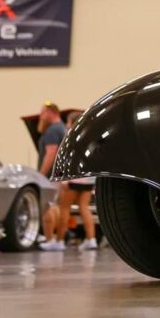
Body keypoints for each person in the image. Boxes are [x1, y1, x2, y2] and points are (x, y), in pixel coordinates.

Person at [57, 112, 97, 250]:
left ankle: (59, 241)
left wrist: (64, 178)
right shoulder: (90, 137)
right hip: (88, 179)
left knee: (64, 208)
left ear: (72, 123)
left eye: (68, 122)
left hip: (73, 179)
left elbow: (68, 160)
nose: (66, 125)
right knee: (84, 208)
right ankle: (91, 239)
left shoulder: (71, 138)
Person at [35, 101, 68, 251]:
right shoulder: (62, 128)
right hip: (59, 175)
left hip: (50, 176)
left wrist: (40, 175)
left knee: (48, 206)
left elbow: (51, 154)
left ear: (51, 112)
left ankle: (50, 239)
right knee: (57, 207)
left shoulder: (53, 131)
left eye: (43, 113)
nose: (40, 116)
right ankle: (55, 239)